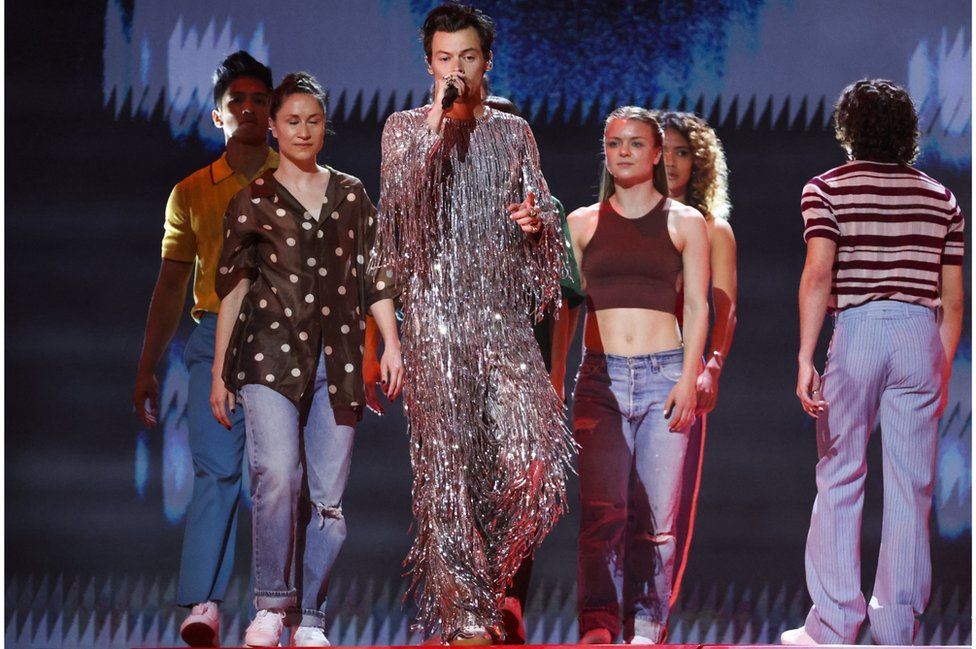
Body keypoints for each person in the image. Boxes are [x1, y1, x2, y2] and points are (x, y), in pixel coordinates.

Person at [370, 4, 574, 644]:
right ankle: (465, 616)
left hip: (500, 316)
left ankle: (495, 585)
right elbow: (394, 218)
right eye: (444, 58)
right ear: (429, 64)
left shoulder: (514, 134)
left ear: (487, 60)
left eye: (468, 57)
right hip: (433, 314)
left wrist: (536, 225)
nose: (456, 69)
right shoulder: (403, 129)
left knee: (533, 460)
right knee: (447, 469)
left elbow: (548, 239)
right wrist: (436, 121)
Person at [209, 72, 402, 647]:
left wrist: (390, 343)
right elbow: (234, 290)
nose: (302, 130)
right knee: (274, 476)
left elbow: (376, 275)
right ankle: (271, 604)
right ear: (271, 126)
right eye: (291, 120)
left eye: (313, 121)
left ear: (325, 126)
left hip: (336, 362)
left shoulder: (351, 194)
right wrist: (222, 372)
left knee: (329, 500)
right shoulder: (254, 200)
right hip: (268, 357)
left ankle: (311, 617)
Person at [784, 79, 964, 646]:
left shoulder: (827, 189)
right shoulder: (941, 198)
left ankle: (835, 625)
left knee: (840, 476)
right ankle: (896, 626)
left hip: (858, 328)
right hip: (920, 332)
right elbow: (954, 300)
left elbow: (818, 274)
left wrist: (805, 355)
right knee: (912, 487)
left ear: (849, 128)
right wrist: (942, 363)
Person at [131, 51, 276, 647]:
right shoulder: (191, 192)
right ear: (217, 116)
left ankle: (280, 610)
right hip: (210, 335)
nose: (247, 108)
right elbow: (170, 285)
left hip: (282, 342)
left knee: (280, 480)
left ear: (272, 112)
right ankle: (203, 604)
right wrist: (146, 365)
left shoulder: (297, 177)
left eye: (258, 99)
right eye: (235, 100)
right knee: (215, 472)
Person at [567, 106, 710, 645]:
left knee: (657, 516)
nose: (623, 151)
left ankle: (647, 623)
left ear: (656, 154)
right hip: (600, 380)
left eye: (635, 143)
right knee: (601, 512)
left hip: (663, 377)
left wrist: (688, 377)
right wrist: (561, 378)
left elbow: (697, 306)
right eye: (613, 143)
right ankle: (599, 624)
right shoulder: (581, 223)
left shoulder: (685, 222)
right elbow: (567, 309)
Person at [481, 92, 585, 645]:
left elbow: (567, 299)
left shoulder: (546, 210)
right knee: (469, 483)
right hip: (463, 366)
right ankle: (473, 600)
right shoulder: (445, 201)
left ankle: (510, 599)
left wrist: (556, 376)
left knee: (524, 485)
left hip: (529, 368)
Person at [657, 110, 737, 604]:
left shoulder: (713, 229)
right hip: (619, 367)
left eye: (682, 152)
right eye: (661, 150)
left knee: (671, 506)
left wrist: (711, 367)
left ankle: (653, 623)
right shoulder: (620, 220)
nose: (670, 162)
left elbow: (725, 307)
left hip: (680, 373)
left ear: (698, 162)